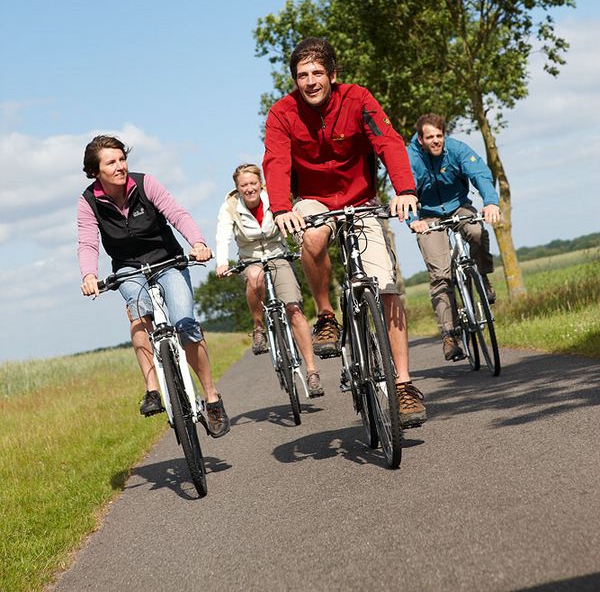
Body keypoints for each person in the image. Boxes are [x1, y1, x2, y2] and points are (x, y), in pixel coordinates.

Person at [262, 37, 426, 429]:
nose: (311, 81)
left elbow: (388, 141)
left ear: (333, 75)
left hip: (362, 199)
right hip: (315, 200)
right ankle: (326, 316)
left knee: (385, 286)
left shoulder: (358, 99)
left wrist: (404, 189)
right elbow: (276, 160)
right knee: (313, 237)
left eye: (318, 73)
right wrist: (282, 207)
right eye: (302, 75)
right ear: (294, 80)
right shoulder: (282, 113)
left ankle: (403, 385)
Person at [77, 134, 230, 437]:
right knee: (138, 315)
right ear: (96, 171)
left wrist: (197, 243)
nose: (120, 166)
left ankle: (211, 396)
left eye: (122, 159)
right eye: (111, 162)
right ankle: (152, 390)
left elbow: (177, 214)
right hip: (127, 269)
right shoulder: (88, 201)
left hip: (167, 261)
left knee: (185, 324)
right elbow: (87, 242)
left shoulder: (146, 184)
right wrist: (88, 275)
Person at [215, 163, 325, 397]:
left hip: (278, 255)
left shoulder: (272, 198)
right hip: (251, 259)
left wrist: (302, 242)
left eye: (253, 183)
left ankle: (312, 371)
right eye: (244, 185)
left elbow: (291, 220)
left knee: (294, 309)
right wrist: (222, 262)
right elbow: (223, 234)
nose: (249, 188)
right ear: (237, 188)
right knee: (254, 277)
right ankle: (258, 327)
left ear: (260, 183)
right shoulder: (230, 207)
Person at [407, 114, 500, 362]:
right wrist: (412, 220)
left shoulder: (456, 149)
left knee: (477, 231)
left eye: (439, 136)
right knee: (440, 274)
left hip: (459, 206)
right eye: (430, 137)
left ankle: (482, 275)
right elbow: (404, 190)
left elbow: (480, 173)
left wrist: (490, 202)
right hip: (427, 216)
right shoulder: (411, 157)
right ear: (421, 139)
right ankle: (450, 336)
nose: (436, 141)